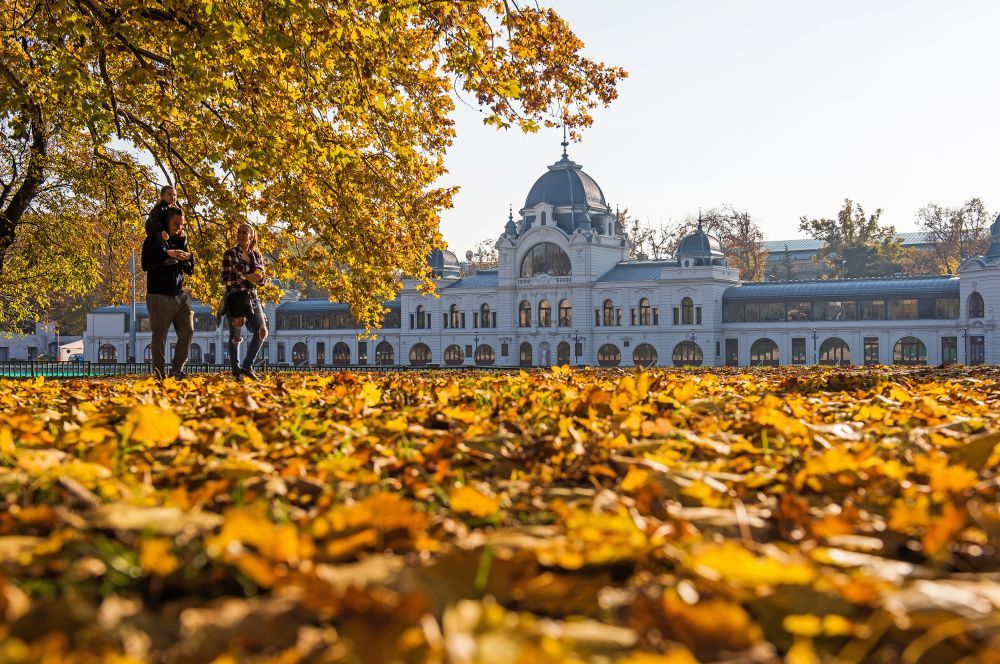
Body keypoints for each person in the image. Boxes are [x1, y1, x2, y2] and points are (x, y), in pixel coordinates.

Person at [141, 207, 196, 379]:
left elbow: (190, 269)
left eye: (181, 224)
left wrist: (188, 258)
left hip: (180, 295)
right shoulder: (153, 240)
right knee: (159, 337)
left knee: (188, 332)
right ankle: (159, 374)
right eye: (175, 224)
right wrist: (167, 254)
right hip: (159, 295)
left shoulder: (181, 240)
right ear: (166, 221)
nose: (179, 227)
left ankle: (177, 370)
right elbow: (146, 265)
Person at [221, 223, 268, 381]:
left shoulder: (257, 256)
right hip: (235, 297)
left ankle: (247, 366)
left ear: (251, 236)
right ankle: (236, 372)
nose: (240, 235)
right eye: (239, 232)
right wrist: (245, 276)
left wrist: (260, 278)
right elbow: (225, 279)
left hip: (252, 297)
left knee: (262, 331)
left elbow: (264, 281)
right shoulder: (230, 254)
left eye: (244, 232)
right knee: (236, 336)